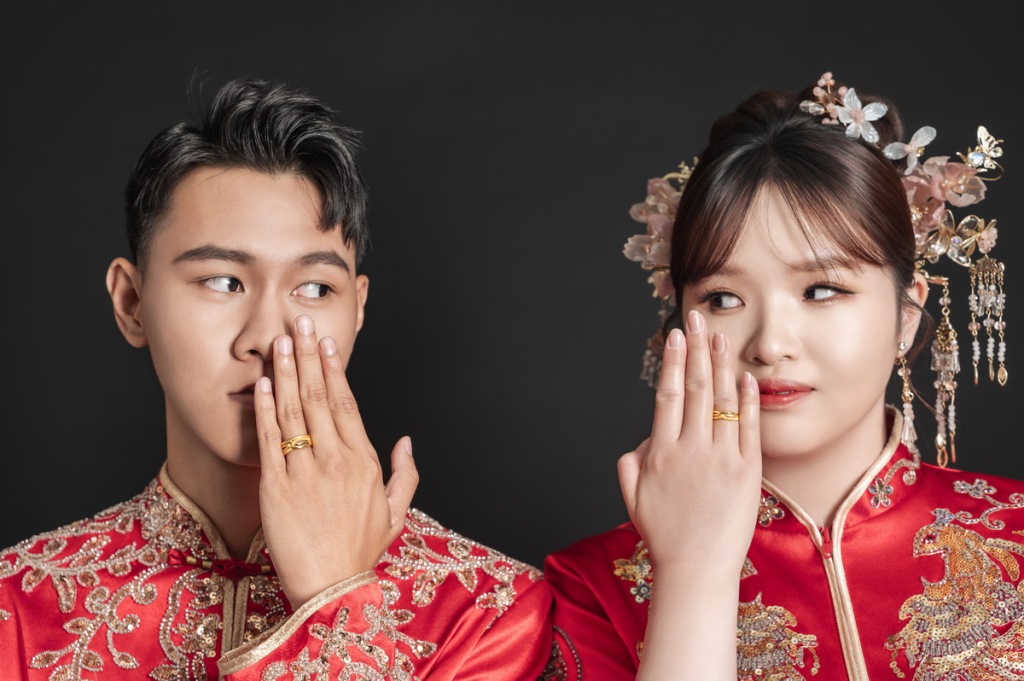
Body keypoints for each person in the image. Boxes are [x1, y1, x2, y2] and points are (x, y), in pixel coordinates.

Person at [0, 77, 552, 679]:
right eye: (222, 281)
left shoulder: (488, 613)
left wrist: (337, 593)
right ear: (132, 302)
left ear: (358, 309)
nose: (267, 338)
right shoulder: (18, 607)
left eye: (314, 288)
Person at [541, 72, 1022, 680]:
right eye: (723, 299)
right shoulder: (591, 590)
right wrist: (692, 574)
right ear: (680, 323)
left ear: (906, 315)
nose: (769, 344)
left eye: (821, 290)